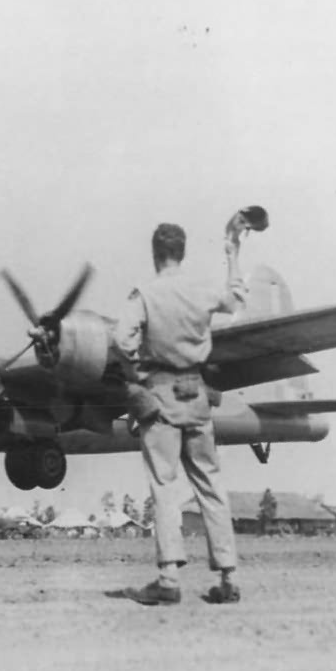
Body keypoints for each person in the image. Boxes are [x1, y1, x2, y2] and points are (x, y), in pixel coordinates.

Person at [114, 222, 247, 605]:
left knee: (164, 485)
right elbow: (235, 300)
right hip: (197, 394)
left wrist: (137, 372)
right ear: (183, 252)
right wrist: (233, 253)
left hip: (160, 396)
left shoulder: (145, 294)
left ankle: (169, 579)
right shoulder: (202, 289)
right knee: (210, 483)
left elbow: (121, 340)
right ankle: (228, 577)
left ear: (155, 253)